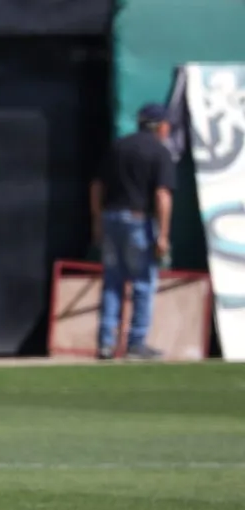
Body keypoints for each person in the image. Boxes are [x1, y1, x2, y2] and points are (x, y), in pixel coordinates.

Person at [90, 102, 177, 360]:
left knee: (112, 283)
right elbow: (162, 195)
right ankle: (136, 344)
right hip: (139, 222)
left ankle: (106, 343)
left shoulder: (118, 146)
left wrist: (97, 220)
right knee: (142, 283)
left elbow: (96, 185)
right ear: (160, 126)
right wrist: (163, 235)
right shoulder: (159, 152)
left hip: (111, 219)